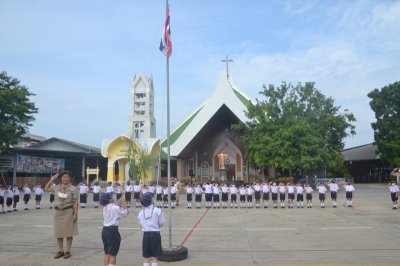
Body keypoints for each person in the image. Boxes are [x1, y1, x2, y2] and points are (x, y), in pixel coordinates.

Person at [45, 171, 79, 259]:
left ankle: (68, 251)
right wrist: (52, 179)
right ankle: (60, 251)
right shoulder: (56, 187)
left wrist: (75, 214)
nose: (65, 179)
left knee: (69, 232)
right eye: (64, 177)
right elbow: (46, 188)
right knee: (58, 233)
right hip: (58, 212)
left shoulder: (73, 188)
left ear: (69, 178)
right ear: (61, 178)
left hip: (68, 212)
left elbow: (75, 202)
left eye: (67, 177)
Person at [100, 192, 129, 266]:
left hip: (105, 231)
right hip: (112, 231)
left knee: (107, 252)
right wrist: (124, 205)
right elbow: (125, 213)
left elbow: (116, 205)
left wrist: (121, 199)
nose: (113, 197)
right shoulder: (115, 208)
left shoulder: (105, 207)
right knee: (113, 254)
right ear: (109, 200)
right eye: (111, 197)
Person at [138, 192, 165, 266]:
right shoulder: (158, 211)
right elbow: (161, 224)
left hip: (146, 235)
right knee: (154, 257)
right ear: (151, 200)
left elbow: (141, 226)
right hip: (155, 235)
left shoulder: (141, 213)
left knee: (146, 257)